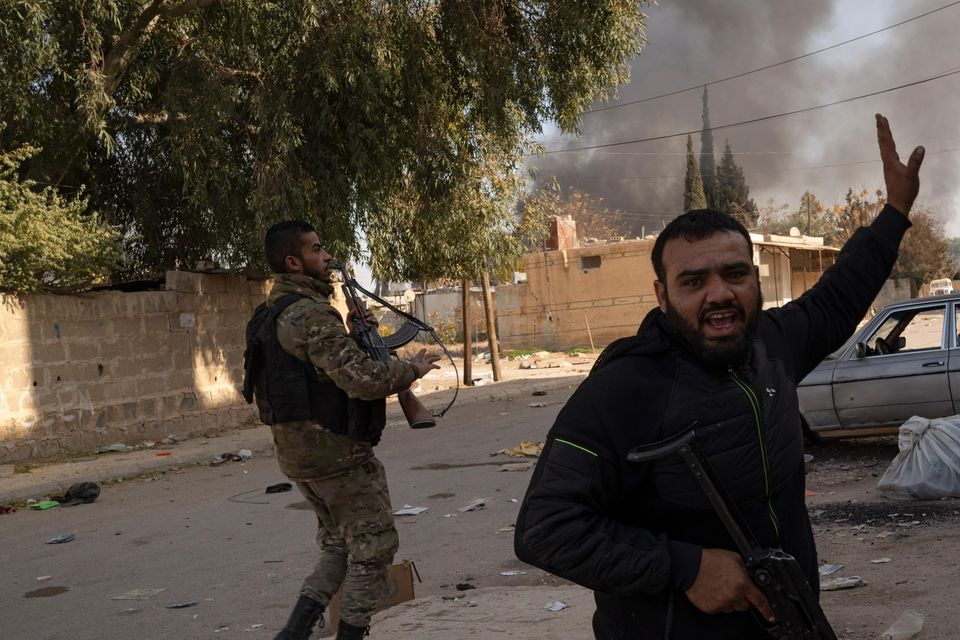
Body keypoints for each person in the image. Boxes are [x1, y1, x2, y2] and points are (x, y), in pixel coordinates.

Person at [514, 114, 924, 639]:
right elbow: (546, 530)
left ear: (754, 279)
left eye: (734, 274)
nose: (719, 294)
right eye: (694, 280)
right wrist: (684, 567)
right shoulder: (624, 389)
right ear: (662, 296)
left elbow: (841, 294)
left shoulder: (771, 345)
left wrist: (894, 211)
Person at [243, 220, 440, 640]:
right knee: (375, 548)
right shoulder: (311, 314)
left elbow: (317, 372)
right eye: (316, 249)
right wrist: (410, 370)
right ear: (293, 261)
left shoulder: (271, 313)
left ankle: (292, 634)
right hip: (336, 455)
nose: (326, 256)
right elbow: (363, 381)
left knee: (338, 545)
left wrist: (355, 333)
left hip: (301, 456)